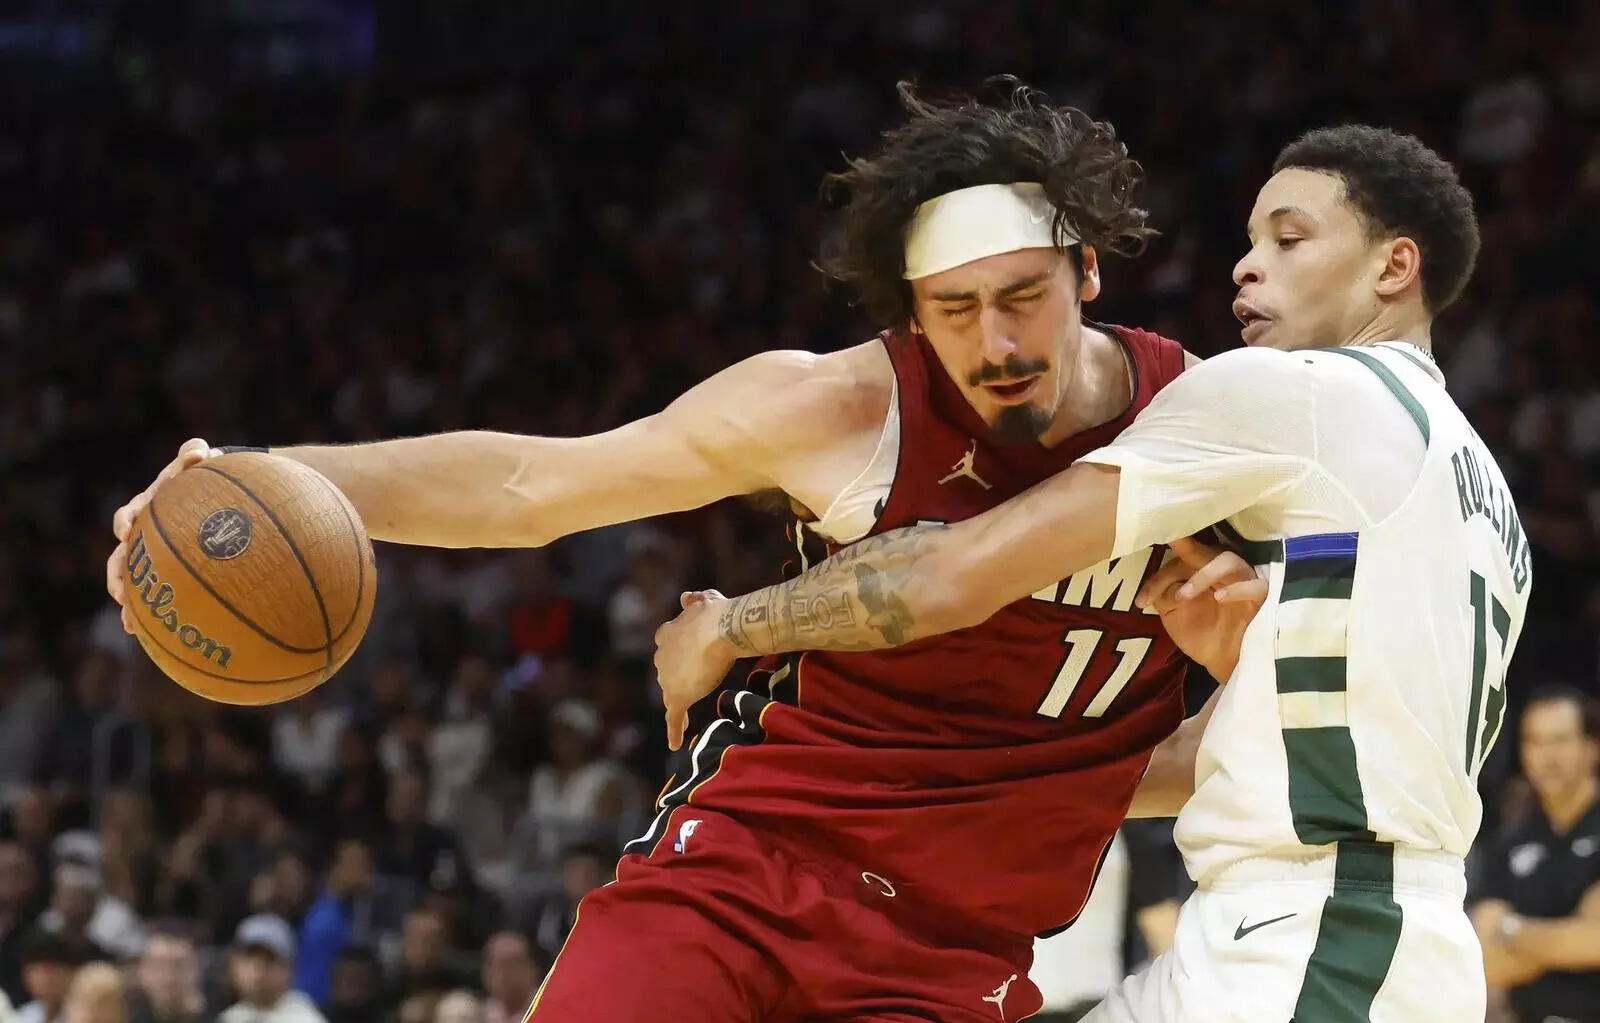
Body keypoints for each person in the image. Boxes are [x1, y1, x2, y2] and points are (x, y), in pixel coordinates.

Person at [108, 81, 1252, 1021]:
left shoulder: (1209, 430)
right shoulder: (845, 409)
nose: (996, 342)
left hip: (951, 955)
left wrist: (1178, 720)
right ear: (908, 311)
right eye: (955, 311)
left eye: (1022, 297)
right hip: (742, 876)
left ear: (1087, 271)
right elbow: (532, 484)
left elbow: (1252, 736)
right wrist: (258, 476)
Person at [657, 125, 1528, 1022]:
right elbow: (1266, 746)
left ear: (1394, 269)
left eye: (1288, 238)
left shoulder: (1308, 395)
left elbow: (953, 571)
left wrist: (729, 625)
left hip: (1320, 938)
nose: (1245, 266)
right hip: (1336, 933)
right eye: (1251, 238)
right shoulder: (1480, 487)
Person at [1471, 687, 1600, 1023]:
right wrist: (1571, 935)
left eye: (1560, 740)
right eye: (1535, 741)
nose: (1547, 756)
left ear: (1592, 746)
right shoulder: (1511, 841)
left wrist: (1511, 930)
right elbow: (1487, 964)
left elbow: (1595, 942)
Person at [217, 915, 325, 1023]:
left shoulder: (304, 1018)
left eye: (268, 960)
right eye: (250, 957)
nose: (257, 969)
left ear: (288, 969)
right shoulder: (232, 1016)